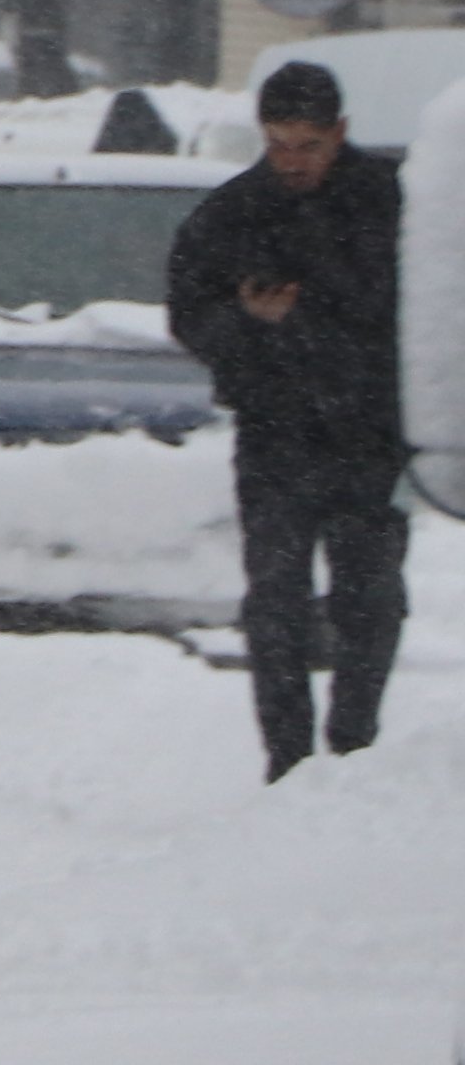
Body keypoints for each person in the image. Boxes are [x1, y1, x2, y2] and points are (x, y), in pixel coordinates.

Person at [165, 56, 409, 779]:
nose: (294, 161)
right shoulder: (231, 213)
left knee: (369, 599)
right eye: (278, 145)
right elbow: (189, 315)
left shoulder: (392, 204)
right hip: (276, 432)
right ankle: (289, 759)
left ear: (341, 131)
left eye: (309, 145)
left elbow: (428, 307)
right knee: (276, 602)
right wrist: (247, 320)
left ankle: (355, 741)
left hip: (371, 432)